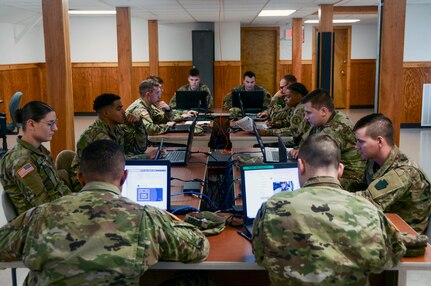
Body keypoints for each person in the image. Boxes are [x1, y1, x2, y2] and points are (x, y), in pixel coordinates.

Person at [0, 140, 210, 285]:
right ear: (125, 177)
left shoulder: (40, 215)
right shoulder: (147, 217)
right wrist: (169, 218)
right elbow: (199, 247)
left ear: (80, 177)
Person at [252, 134, 406, 286]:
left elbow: (259, 256)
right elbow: (385, 261)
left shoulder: (272, 206)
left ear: (301, 166)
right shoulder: (368, 210)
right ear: (340, 170)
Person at [353, 113, 431, 234]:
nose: (356, 146)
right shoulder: (373, 162)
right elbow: (356, 185)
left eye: (361, 142)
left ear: (379, 141)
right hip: (385, 224)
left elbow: (364, 202)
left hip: (405, 238)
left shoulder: (403, 173)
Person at [0, 101, 71, 215]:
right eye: (50, 124)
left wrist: (75, 199)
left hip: (57, 206)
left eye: (55, 123)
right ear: (31, 124)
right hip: (40, 222)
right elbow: (43, 206)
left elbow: (57, 185)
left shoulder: (38, 149)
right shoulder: (22, 161)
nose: (55, 128)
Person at [70, 93, 149, 192]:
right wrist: (146, 157)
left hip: (105, 176)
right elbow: (114, 161)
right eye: (119, 109)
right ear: (106, 113)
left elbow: (138, 148)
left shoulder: (117, 129)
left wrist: (138, 125)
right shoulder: (97, 134)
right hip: (86, 182)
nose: (124, 112)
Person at [289, 88, 365, 190]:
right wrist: (298, 150)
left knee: (310, 182)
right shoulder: (322, 121)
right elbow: (305, 142)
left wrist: (301, 151)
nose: (306, 117)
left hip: (350, 178)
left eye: (308, 113)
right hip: (332, 170)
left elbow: (315, 155)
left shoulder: (336, 128)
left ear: (323, 111)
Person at [126, 79, 197, 135]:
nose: (159, 96)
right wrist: (167, 126)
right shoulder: (139, 108)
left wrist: (168, 111)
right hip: (132, 148)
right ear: (148, 95)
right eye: (156, 93)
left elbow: (161, 119)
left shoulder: (150, 105)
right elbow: (150, 129)